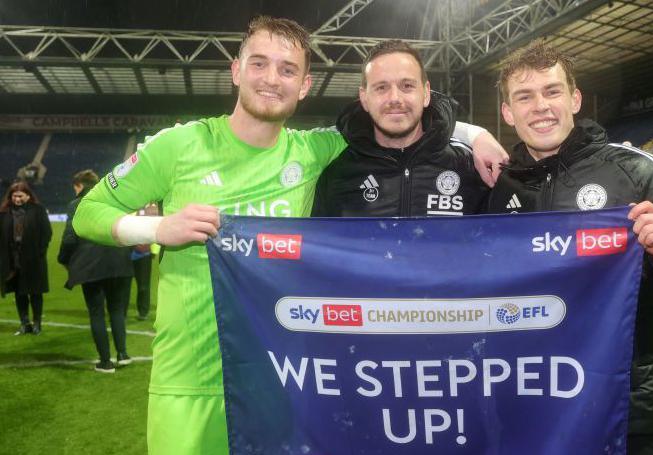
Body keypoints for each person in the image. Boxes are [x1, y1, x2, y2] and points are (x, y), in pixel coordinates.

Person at [71, 16, 507, 454]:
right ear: (236, 70)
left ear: (304, 85)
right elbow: (88, 213)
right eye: (259, 64)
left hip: (281, 382)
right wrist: (159, 227)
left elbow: (395, 120)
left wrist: (477, 134)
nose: (271, 80)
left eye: (287, 69)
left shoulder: (313, 151)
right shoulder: (178, 146)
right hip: (190, 383)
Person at [486, 40, 653, 455]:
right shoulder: (496, 190)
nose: (540, 106)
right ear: (508, 112)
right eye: (524, 96)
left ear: (575, 99)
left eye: (552, 91)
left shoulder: (634, 170)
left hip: (627, 406)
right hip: (529, 402)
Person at [313, 40, 489, 217]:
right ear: (364, 98)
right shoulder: (336, 174)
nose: (395, 98)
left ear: (426, 93)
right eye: (381, 87)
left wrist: (478, 135)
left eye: (407, 86)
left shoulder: (469, 165)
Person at [58, 170, 133, 373]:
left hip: (91, 265)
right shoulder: (115, 200)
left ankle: (105, 362)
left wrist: (63, 259)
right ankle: (123, 354)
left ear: (79, 185)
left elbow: (70, 237)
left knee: (97, 313)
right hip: (119, 261)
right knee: (117, 310)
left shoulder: (77, 205)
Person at [0, 181, 52, 335]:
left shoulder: (38, 210)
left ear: (28, 195)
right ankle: (24, 323)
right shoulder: (4, 212)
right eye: (14, 196)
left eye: (20, 196)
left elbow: (46, 233)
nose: (17, 199)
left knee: (36, 292)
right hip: (12, 260)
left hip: (34, 259)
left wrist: (40, 252)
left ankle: (37, 324)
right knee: (19, 292)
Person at [129, 203, 158, 321]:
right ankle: (120, 311)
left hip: (143, 253)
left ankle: (143, 311)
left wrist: (154, 250)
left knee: (143, 286)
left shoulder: (153, 208)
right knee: (122, 285)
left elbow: (157, 229)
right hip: (125, 252)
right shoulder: (128, 204)